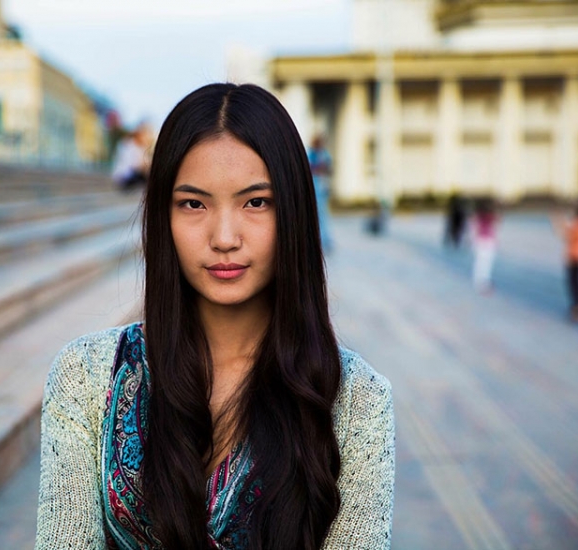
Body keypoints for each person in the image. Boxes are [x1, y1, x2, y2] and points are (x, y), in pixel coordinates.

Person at [35, 83, 395, 550]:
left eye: (256, 202)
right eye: (193, 204)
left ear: (295, 214)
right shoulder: (85, 377)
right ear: (162, 217)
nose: (224, 237)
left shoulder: (358, 402)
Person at [307, 134, 334, 251]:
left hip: (322, 188)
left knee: (324, 215)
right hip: (315, 187)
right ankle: (317, 241)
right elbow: (309, 168)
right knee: (315, 215)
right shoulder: (311, 154)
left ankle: (325, 241)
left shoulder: (324, 154)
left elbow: (329, 169)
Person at [111, 122, 153, 191]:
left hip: (132, 175)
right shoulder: (130, 146)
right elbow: (135, 165)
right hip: (125, 177)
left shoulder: (141, 148)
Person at [471, 197, 498, 293]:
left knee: (483, 264)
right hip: (485, 241)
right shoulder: (484, 216)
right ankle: (481, 283)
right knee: (483, 264)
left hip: (484, 242)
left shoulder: (480, 216)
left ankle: (482, 282)